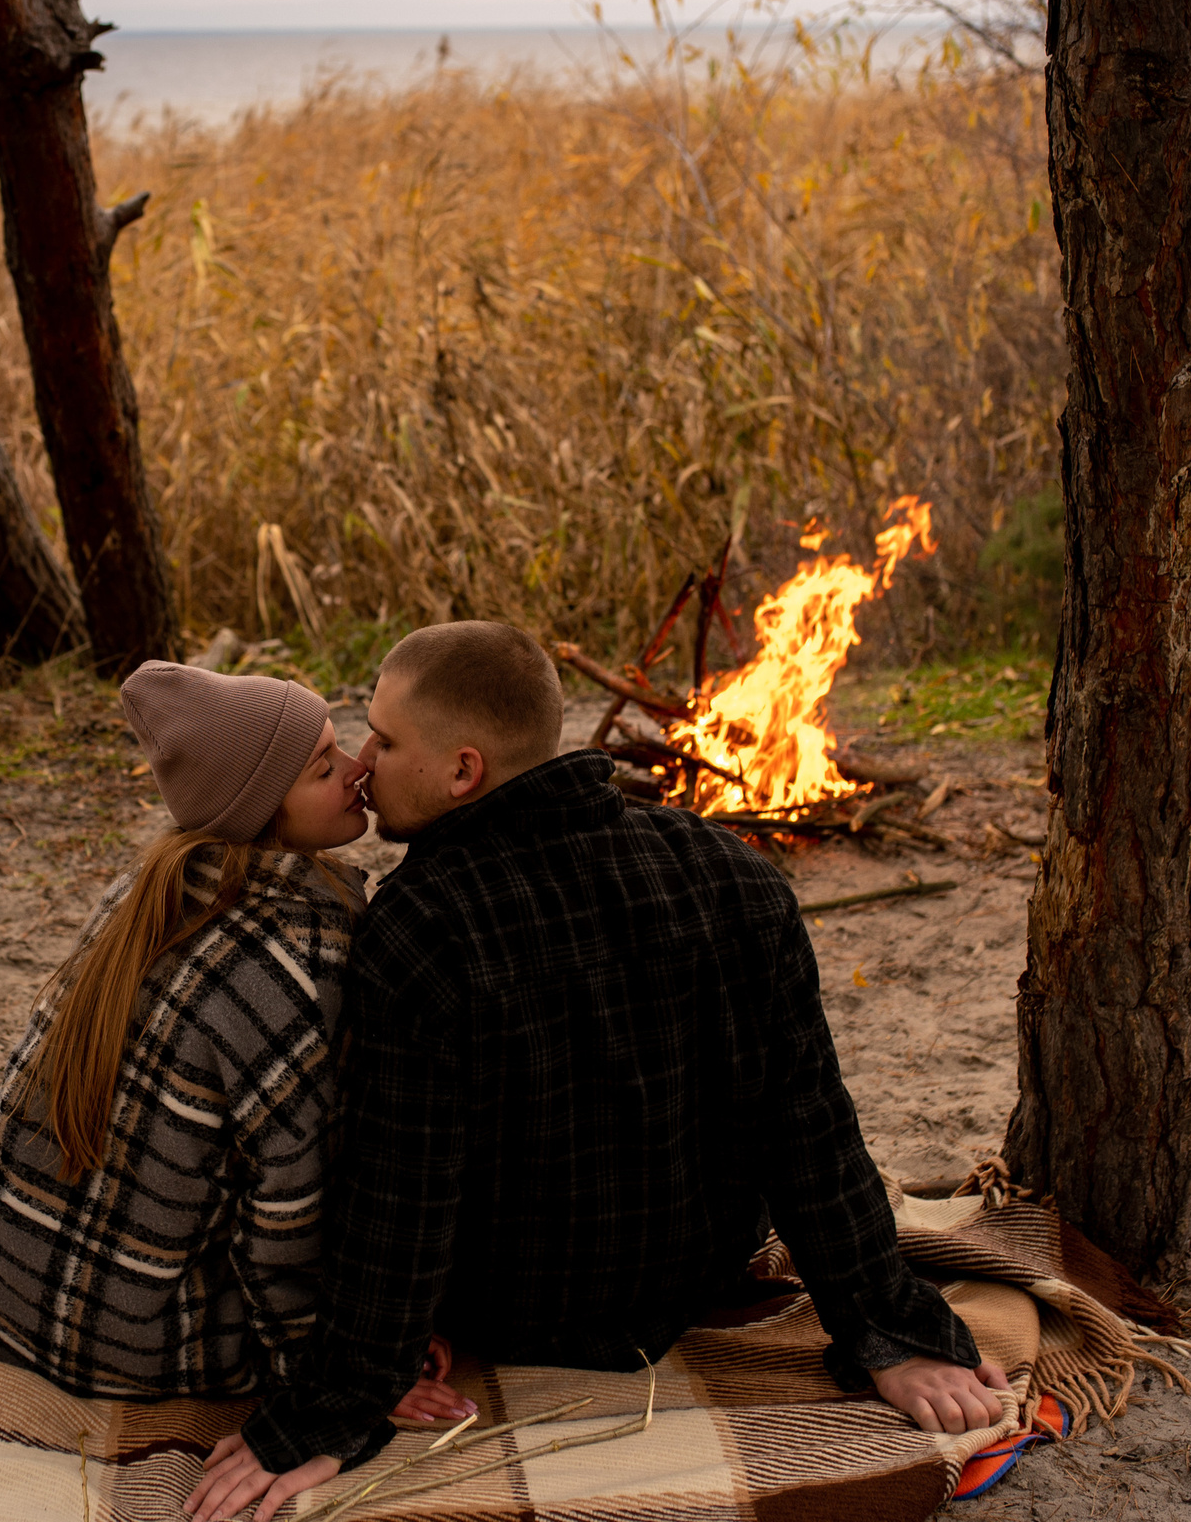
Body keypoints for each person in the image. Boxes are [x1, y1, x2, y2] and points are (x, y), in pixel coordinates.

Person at [190, 622, 1012, 1521]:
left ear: (464, 772)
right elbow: (808, 1126)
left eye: (384, 741)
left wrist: (335, 1404)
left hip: (514, 1312)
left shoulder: (423, 924)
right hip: (699, 1273)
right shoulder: (735, 872)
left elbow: (403, 1201)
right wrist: (886, 1324)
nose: (362, 763)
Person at [0, 660, 459, 1414]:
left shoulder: (145, 891)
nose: (356, 768)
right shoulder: (301, 966)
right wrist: (342, 1370)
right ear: (262, 809)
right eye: (321, 768)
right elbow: (289, 1217)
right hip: (111, 1345)